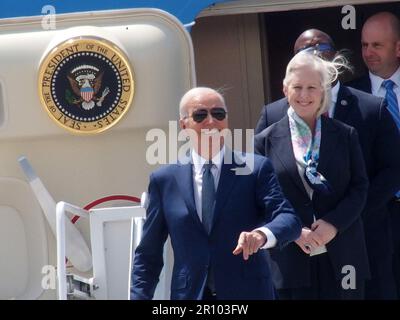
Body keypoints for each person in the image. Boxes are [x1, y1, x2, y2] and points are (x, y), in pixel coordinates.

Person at [255, 29, 400, 300]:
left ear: (323, 90)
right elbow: (263, 192)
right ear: (285, 88)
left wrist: (336, 223)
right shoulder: (267, 131)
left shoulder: (346, 132)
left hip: (346, 249)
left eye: (312, 88)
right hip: (292, 257)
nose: (304, 95)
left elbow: (362, 184)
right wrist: (292, 228)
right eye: (297, 87)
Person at [130, 87, 302, 300]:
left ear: (226, 121)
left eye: (218, 114)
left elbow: (289, 220)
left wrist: (261, 235)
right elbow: (148, 253)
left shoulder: (255, 169)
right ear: (184, 125)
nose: (211, 121)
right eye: (200, 115)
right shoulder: (164, 179)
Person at [346, 11, 400, 298]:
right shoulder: (348, 96)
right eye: (365, 45)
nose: (368, 53)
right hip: (375, 214)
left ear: (398, 47)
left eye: (377, 45)